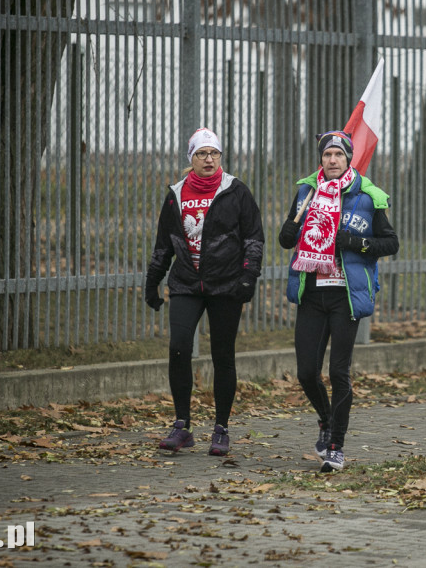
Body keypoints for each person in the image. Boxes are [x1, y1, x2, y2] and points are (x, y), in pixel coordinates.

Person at [278, 130, 399, 472]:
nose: (332, 160)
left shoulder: (368, 196)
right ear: (321, 159)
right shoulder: (307, 191)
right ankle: (326, 419)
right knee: (305, 372)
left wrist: (355, 242)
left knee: (338, 372)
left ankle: (336, 446)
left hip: (346, 295)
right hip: (312, 294)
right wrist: (286, 234)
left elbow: (390, 244)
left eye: (339, 155)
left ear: (349, 160)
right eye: (327, 155)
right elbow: (292, 232)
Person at [145, 128, 264, 456]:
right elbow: (164, 243)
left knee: (223, 355)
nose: (209, 159)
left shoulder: (236, 191)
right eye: (201, 154)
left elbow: (254, 239)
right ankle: (182, 425)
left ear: (220, 157)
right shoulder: (176, 194)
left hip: (226, 285)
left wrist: (247, 278)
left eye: (214, 154)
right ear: (191, 159)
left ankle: (221, 428)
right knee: (179, 348)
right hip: (185, 283)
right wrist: (152, 281)